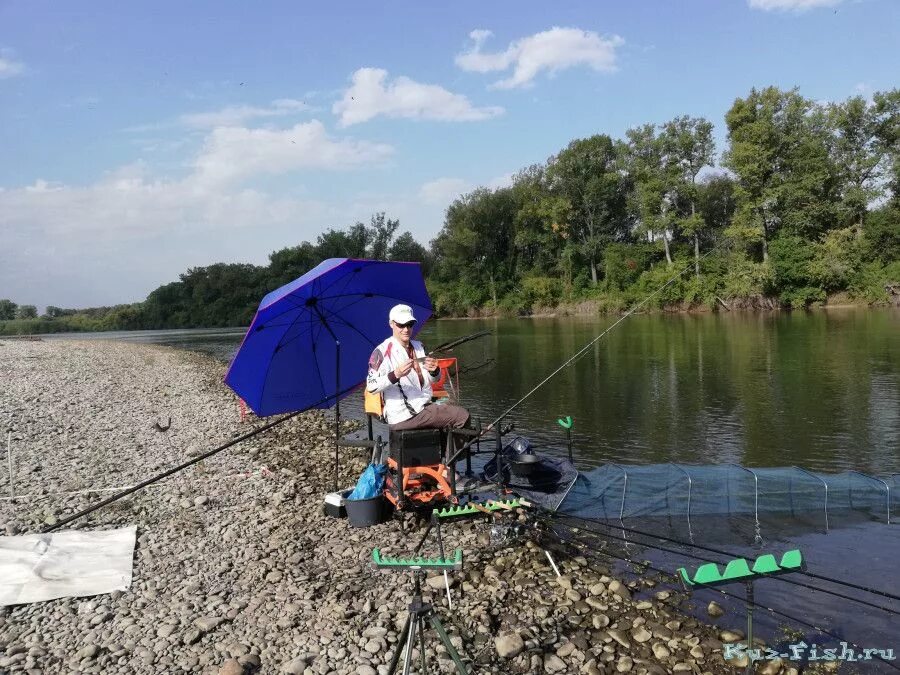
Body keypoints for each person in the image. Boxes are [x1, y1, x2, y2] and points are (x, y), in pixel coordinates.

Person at [366, 304, 470, 431]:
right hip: (404, 415)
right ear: (391, 324)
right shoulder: (381, 352)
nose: (406, 329)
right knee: (462, 416)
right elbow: (371, 387)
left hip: (424, 403)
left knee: (452, 402)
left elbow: (434, 380)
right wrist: (396, 374)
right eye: (401, 325)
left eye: (409, 324)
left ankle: (446, 448)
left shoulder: (419, 346)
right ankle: (456, 451)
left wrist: (434, 371)